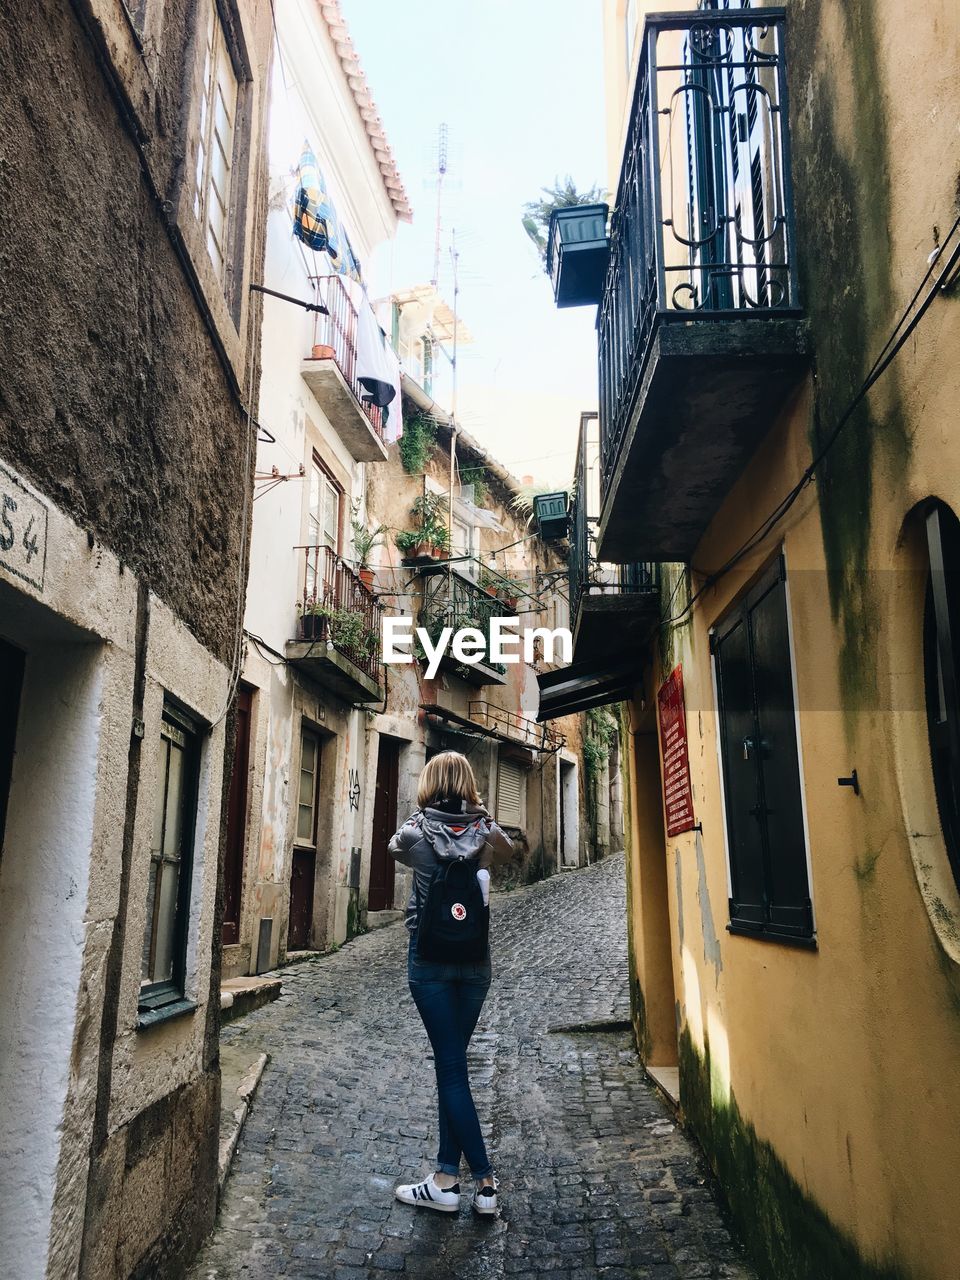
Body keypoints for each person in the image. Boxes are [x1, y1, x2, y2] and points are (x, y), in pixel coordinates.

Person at [388, 751, 512, 1215]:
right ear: (468, 783)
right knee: (453, 1067)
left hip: (430, 962)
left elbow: (394, 847)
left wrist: (426, 814)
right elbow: (508, 848)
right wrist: (479, 816)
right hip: (475, 963)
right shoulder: (484, 832)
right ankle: (444, 1178)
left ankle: (483, 1182)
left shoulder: (419, 832)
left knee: (451, 1069)